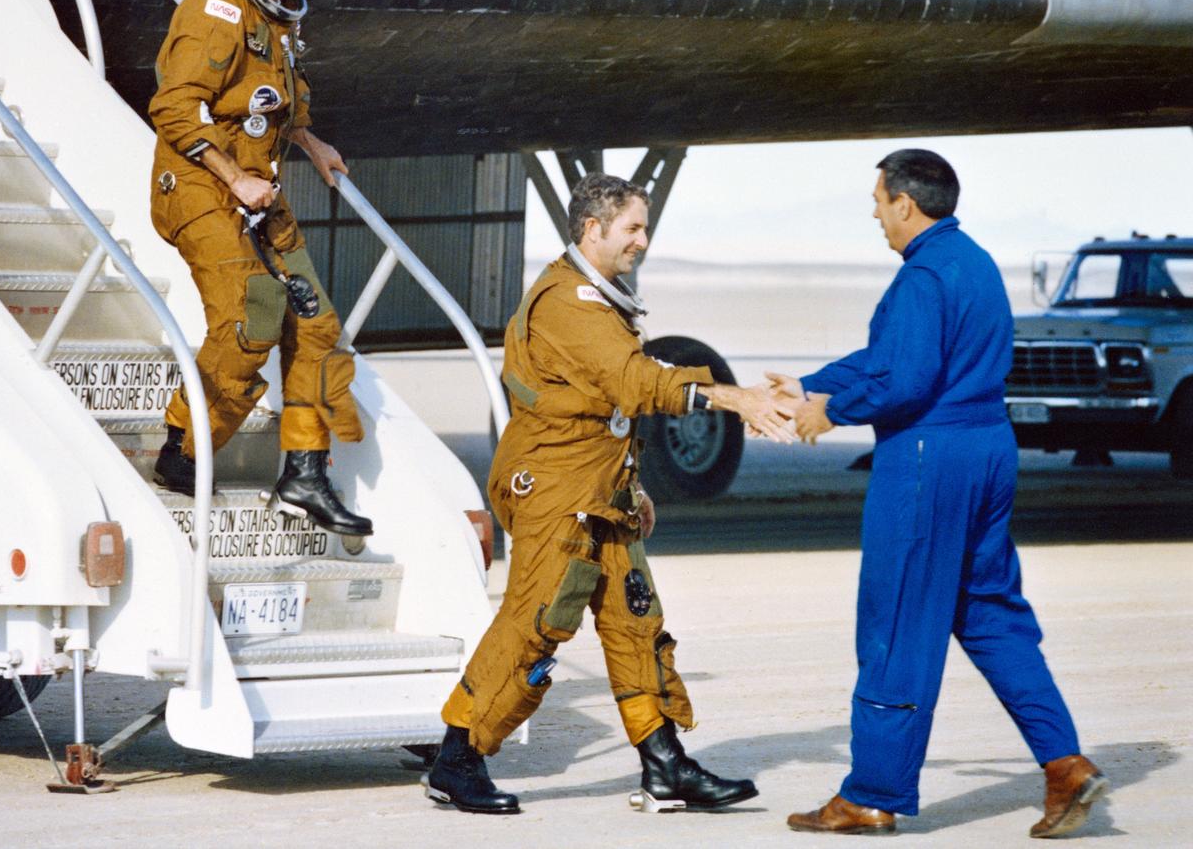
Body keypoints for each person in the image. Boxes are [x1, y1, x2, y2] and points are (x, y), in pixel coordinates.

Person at [425, 172, 794, 815]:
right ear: (592, 229)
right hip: (556, 487)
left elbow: (602, 404)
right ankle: (457, 757)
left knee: (635, 619)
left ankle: (664, 763)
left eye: (644, 229)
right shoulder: (567, 301)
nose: (643, 241)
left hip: (603, 488)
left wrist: (636, 481)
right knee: (538, 622)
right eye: (633, 228)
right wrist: (730, 396)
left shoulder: (601, 295)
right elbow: (631, 380)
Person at [773, 149, 1107, 839]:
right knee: (989, 612)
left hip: (930, 454)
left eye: (878, 199)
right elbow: (890, 360)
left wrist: (828, 413)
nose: (874, 212)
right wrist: (810, 385)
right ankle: (1065, 763)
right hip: (988, 447)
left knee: (896, 619)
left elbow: (907, 380)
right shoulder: (975, 262)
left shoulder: (923, 275)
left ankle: (871, 792)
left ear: (906, 202)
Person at [148, 0, 372, 538]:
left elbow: (268, 98)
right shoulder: (214, 10)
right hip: (199, 185)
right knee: (254, 317)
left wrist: (309, 141)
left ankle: (304, 470)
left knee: (317, 323)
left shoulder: (276, 12)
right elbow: (174, 110)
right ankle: (184, 449)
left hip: (256, 189)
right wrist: (235, 177)